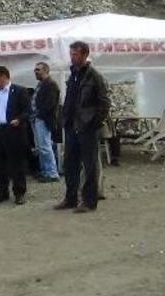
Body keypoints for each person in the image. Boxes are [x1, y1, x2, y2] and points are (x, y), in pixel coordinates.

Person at [55, 41, 110, 213]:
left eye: (76, 54)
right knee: (70, 164)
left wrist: (94, 122)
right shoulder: (74, 75)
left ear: (85, 55)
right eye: (71, 54)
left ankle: (89, 201)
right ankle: (71, 198)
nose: (72, 57)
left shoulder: (95, 76)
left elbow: (104, 102)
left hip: (86, 127)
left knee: (89, 165)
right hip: (71, 125)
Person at [0, 66, 31, 205]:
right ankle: (2, 192)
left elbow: (28, 110)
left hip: (13, 131)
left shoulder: (19, 91)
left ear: (4, 76)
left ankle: (19, 193)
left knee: (16, 164)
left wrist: (19, 120)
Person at [32, 62, 61, 182]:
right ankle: (45, 171)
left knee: (45, 146)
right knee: (41, 146)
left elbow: (50, 104)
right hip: (37, 118)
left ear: (46, 70)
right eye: (35, 70)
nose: (35, 72)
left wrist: (39, 114)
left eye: (38, 69)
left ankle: (52, 173)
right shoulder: (41, 84)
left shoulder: (51, 84)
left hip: (43, 119)